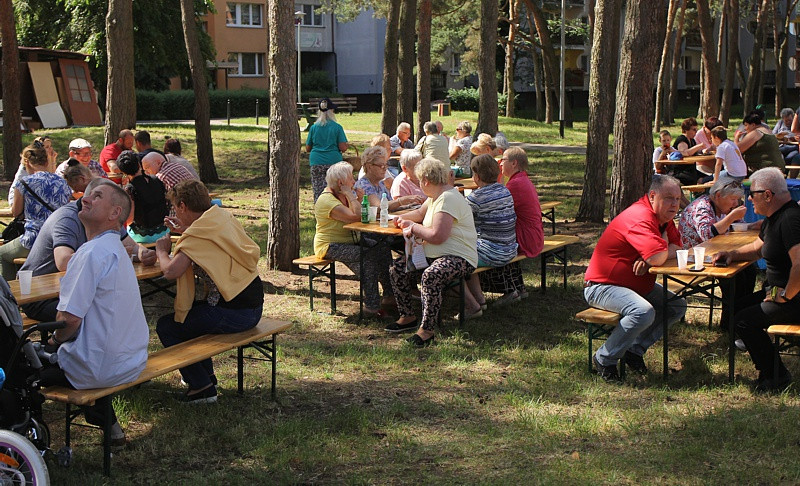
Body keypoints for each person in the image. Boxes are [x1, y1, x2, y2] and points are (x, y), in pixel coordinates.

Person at [40, 182, 149, 450]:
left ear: (115, 213)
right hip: (131, 361)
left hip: (99, 369)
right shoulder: (117, 250)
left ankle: (30, 441)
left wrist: (53, 342)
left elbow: (69, 320)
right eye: (88, 194)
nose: (86, 199)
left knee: (18, 368)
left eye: (96, 196)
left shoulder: (90, 253)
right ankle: (111, 428)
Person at [155, 180, 264, 403]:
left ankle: (201, 386)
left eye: (176, 207)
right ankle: (206, 378)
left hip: (234, 313)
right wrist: (186, 230)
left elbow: (171, 271)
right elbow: (212, 238)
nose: (175, 211)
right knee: (190, 319)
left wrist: (161, 251)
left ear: (183, 206)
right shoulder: (220, 217)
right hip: (253, 307)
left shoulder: (195, 237)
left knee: (168, 327)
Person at [583, 175, 687, 382]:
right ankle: (605, 357)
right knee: (643, 311)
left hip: (637, 285)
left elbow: (678, 247)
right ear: (652, 196)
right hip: (603, 286)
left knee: (676, 305)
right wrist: (656, 254)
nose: (674, 204)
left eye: (677, 198)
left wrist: (654, 254)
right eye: (668, 198)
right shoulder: (640, 217)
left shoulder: (663, 219)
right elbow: (659, 257)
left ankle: (634, 350)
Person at [18, 177, 156, 322]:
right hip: (39, 296)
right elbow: (63, 261)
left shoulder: (104, 219)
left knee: (111, 307)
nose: (87, 200)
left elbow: (132, 246)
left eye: (97, 197)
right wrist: (104, 255)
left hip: (71, 291)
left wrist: (144, 253)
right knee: (100, 312)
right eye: (91, 196)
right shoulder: (67, 219)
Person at [712, 168, 800, 392]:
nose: (749, 198)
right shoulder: (775, 217)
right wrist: (732, 254)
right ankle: (770, 368)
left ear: (768, 195)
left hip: (794, 298)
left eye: (752, 193)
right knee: (736, 309)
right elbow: (758, 248)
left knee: (743, 320)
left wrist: (786, 295)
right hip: (779, 292)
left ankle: (775, 375)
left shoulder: (790, 220)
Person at [387, 158, 478, 347]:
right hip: (434, 255)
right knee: (398, 268)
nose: (420, 185)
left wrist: (413, 228)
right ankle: (407, 316)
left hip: (460, 258)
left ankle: (427, 330)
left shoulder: (448, 198)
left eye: (420, 181)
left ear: (426, 181)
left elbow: (437, 236)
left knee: (432, 275)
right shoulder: (436, 196)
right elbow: (420, 214)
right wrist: (395, 218)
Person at [313, 161, 394, 317]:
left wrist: (359, 198)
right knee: (367, 257)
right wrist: (353, 196)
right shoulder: (327, 200)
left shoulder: (344, 195)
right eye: (351, 178)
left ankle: (389, 295)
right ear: (341, 182)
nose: (354, 181)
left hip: (352, 241)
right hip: (330, 246)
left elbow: (364, 216)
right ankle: (371, 307)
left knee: (382, 247)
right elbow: (356, 216)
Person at [678, 175, 756, 327]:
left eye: (737, 199)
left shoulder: (724, 207)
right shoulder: (702, 206)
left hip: (716, 252)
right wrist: (732, 217)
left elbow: (737, 226)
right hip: (695, 257)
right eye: (733, 199)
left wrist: (753, 226)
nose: (736, 203)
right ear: (718, 195)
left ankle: (739, 319)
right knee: (735, 278)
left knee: (749, 271)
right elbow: (707, 234)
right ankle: (730, 324)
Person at [0, 143, 72, 280]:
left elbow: (16, 212)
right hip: (60, 237)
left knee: (2, 254)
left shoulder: (24, 183)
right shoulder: (62, 182)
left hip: (34, 239)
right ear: (46, 160)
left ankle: (10, 294)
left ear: (27, 162)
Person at [462, 154, 518, 318]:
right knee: (469, 250)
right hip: (510, 248)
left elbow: (459, 221)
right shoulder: (504, 190)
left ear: (477, 177)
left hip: (493, 252)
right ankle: (480, 298)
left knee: (456, 257)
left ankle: (472, 305)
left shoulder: (476, 198)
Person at [486, 147, 544, 302]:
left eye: (503, 159)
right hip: (533, 235)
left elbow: (495, 206)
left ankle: (509, 289)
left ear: (514, 163)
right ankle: (517, 286)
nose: (500, 163)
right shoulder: (521, 179)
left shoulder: (516, 184)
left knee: (494, 243)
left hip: (526, 238)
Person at [117, 150, 170, 243]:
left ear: (123, 172)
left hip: (145, 236)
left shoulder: (130, 189)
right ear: (139, 164)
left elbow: (129, 220)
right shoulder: (156, 179)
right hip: (164, 230)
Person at [355, 146, 425, 211]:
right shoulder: (364, 185)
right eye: (381, 166)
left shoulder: (380, 183)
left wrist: (410, 206)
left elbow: (390, 206)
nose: (385, 169)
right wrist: (401, 201)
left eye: (386, 165)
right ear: (369, 167)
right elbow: (379, 207)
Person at [306, 98, 348, 202]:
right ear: (331, 112)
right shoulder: (337, 127)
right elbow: (343, 147)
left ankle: (320, 210)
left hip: (317, 161)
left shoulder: (314, 127)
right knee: (335, 190)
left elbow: (308, 147)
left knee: (318, 190)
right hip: (333, 161)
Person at [671, 118, 706, 186]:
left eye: (696, 129)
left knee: (707, 178)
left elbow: (696, 152)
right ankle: (697, 193)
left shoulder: (692, 141)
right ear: (686, 130)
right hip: (680, 171)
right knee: (699, 180)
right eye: (693, 129)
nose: (696, 132)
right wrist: (699, 146)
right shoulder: (682, 139)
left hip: (691, 170)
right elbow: (685, 153)